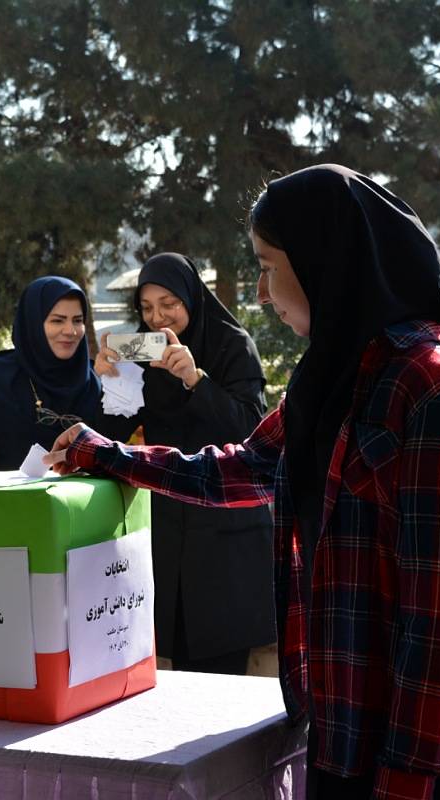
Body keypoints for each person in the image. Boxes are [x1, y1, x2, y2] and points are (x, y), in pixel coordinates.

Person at [46, 165, 440, 799]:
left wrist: (410, 775)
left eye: (269, 266)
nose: (264, 293)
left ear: (324, 260)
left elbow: (439, 609)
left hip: (435, 755)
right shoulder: (330, 377)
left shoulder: (431, 389)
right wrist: (106, 455)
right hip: (347, 727)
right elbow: (240, 469)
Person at [93, 253, 273, 675]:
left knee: (223, 663)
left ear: (191, 297)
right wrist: (108, 381)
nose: (159, 318)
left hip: (225, 528)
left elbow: (252, 430)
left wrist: (196, 380)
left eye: (169, 303)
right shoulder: (141, 350)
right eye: (148, 308)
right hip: (170, 529)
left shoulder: (232, 344)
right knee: (172, 659)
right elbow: (112, 434)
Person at [0, 276, 100, 470]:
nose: (70, 331)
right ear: (33, 323)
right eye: (57, 321)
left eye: (77, 320)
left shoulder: (97, 383)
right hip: (1, 499)